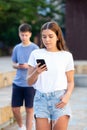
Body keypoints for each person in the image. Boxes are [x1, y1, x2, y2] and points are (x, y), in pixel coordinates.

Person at [27, 21, 74, 130]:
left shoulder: (66, 56)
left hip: (59, 99)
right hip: (41, 99)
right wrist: (37, 72)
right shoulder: (36, 54)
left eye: (50, 36)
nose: (47, 40)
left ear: (57, 36)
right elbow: (29, 82)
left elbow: (70, 81)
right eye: (44, 37)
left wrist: (67, 95)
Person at [11, 23, 39, 130]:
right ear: (19, 34)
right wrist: (17, 65)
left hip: (30, 84)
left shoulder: (35, 48)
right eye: (22, 35)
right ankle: (21, 126)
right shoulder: (17, 48)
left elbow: (39, 66)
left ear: (30, 35)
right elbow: (13, 63)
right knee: (15, 109)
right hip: (17, 83)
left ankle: (28, 128)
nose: (24, 37)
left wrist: (29, 66)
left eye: (26, 35)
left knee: (29, 110)